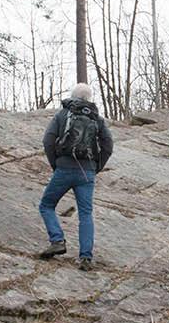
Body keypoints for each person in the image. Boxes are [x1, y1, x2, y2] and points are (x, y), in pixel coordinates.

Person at [38, 82, 113, 270]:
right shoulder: (97, 118)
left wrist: (55, 163)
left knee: (46, 205)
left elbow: (48, 140)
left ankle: (57, 240)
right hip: (87, 171)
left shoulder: (63, 114)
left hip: (63, 168)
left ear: (73, 96)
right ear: (89, 98)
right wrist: (96, 167)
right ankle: (86, 257)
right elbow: (108, 145)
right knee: (85, 213)